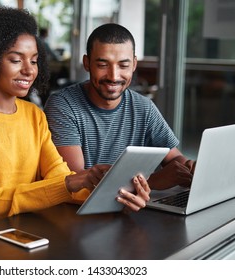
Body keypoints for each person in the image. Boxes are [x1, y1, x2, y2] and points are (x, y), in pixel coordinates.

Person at [0, 8, 150, 242]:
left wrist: (118, 197)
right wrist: (70, 182)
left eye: (33, 60)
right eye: (15, 60)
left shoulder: (34, 115)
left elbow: (59, 178)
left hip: (16, 235)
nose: (29, 70)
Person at [44, 23, 195, 190]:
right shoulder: (63, 105)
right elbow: (76, 181)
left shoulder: (144, 107)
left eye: (123, 65)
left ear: (134, 65)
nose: (114, 76)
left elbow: (174, 158)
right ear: (87, 63)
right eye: (102, 65)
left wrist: (188, 167)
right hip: (77, 212)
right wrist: (152, 182)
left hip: (132, 208)